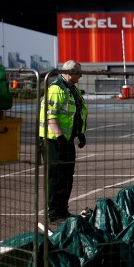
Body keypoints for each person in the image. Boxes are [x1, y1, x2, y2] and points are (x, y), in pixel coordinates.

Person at [39, 60, 88, 220]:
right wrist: (59, 136)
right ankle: (54, 213)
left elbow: (77, 113)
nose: (80, 75)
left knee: (67, 176)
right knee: (57, 177)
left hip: (67, 140)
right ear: (70, 72)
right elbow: (50, 114)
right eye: (78, 72)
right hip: (54, 141)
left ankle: (62, 210)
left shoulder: (71, 89)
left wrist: (79, 134)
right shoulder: (57, 89)